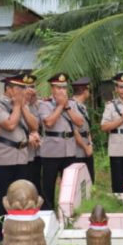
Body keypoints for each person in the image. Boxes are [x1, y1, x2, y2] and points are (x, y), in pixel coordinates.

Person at [0, 73, 36, 244]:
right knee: (2, 198)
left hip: (22, 157)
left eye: (23, 88)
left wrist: (23, 107)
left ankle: (20, 228)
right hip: (4, 158)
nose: (22, 91)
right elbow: (9, 125)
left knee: (21, 195)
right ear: (8, 89)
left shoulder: (22, 105)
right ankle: (0, 235)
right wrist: (17, 106)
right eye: (18, 88)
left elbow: (34, 125)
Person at [38, 73, 85, 211]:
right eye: (58, 88)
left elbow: (80, 122)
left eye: (64, 88)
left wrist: (67, 107)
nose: (62, 91)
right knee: (48, 186)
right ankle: (48, 213)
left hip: (69, 149)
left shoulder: (72, 104)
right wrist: (59, 106)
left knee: (70, 185)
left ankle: (69, 212)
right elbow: (49, 122)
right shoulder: (44, 104)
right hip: (51, 150)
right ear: (52, 89)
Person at [71, 77, 95, 183]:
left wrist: (90, 144)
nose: (88, 92)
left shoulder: (82, 106)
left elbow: (87, 129)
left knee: (90, 177)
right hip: (78, 148)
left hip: (86, 146)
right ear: (84, 91)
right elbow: (74, 131)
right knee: (79, 179)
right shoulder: (72, 106)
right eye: (88, 89)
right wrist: (85, 147)